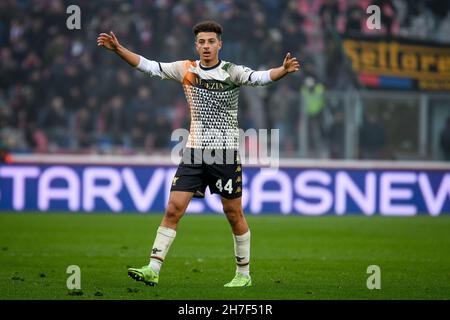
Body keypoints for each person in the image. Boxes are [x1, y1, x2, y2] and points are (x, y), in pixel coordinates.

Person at [97, 21, 300, 287]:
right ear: (196, 45)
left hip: (224, 155)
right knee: (173, 209)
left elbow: (258, 78)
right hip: (193, 152)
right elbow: (150, 67)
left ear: (219, 44)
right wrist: (119, 49)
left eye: (211, 42)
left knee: (233, 214)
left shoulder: (231, 72)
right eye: (202, 42)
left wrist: (282, 71)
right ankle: (153, 268)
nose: (206, 46)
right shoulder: (186, 69)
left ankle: (243, 275)